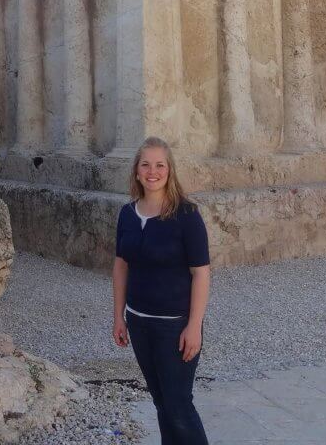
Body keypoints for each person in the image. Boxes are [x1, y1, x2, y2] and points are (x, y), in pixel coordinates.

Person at [113, 136, 211, 445]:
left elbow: (201, 274)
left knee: (179, 406)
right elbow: (121, 266)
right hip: (139, 323)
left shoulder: (187, 216)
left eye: (159, 165)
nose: (152, 172)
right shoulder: (127, 214)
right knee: (161, 404)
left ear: (169, 170)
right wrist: (118, 317)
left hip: (175, 326)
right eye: (145, 165)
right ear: (137, 171)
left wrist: (194, 326)